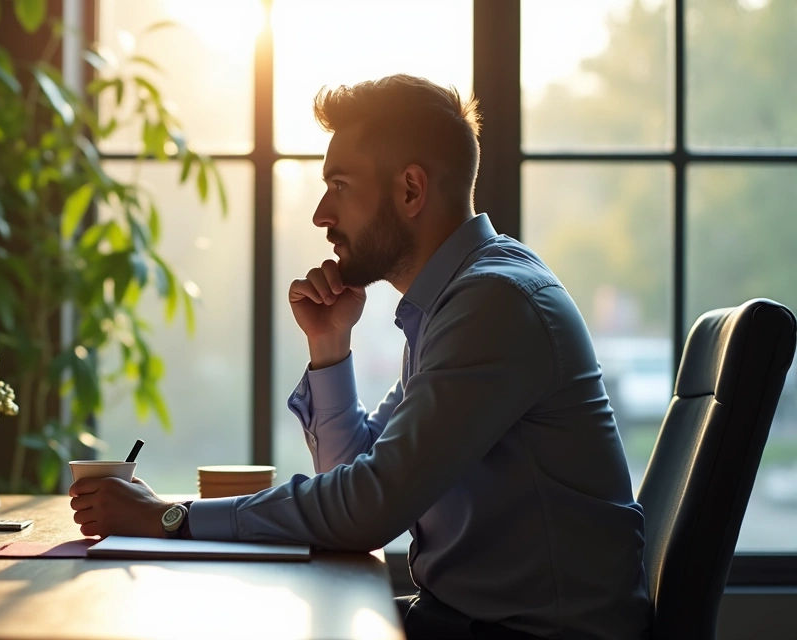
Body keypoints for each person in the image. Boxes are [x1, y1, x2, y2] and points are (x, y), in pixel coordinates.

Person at [68, 73, 650, 640]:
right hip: (463, 621)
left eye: (340, 186)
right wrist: (329, 346)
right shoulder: (454, 304)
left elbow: (365, 511)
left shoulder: (494, 304)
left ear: (410, 190)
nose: (322, 215)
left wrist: (168, 518)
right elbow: (355, 480)